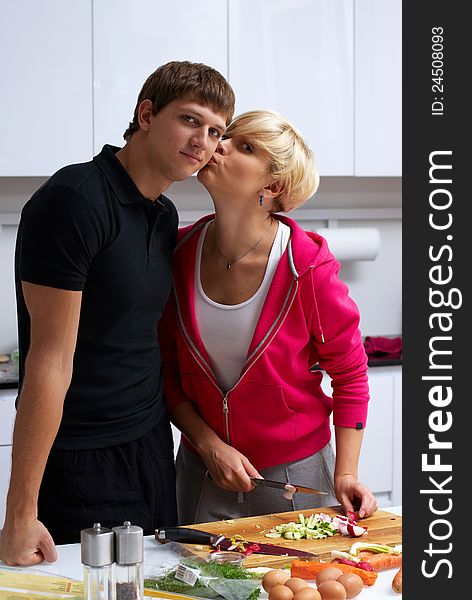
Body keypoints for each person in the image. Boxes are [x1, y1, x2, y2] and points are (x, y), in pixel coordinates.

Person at [0, 61, 235, 566]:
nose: (203, 141)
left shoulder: (164, 213)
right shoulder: (75, 201)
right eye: (190, 120)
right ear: (147, 114)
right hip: (82, 456)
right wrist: (20, 511)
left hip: (150, 444)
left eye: (216, 132)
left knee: (154, 583)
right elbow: (48, 363)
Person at [158, 109, 378, 524]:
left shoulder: (306, 266)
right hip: (201, 473)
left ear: (272, 186)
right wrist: (207, 445)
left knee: (295, 588)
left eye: (243, 147)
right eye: (227, 135)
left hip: (296, 479)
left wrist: (346, 473)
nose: (217, 144)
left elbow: (350, 375)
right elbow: (168, 373)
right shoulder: (178, 254)